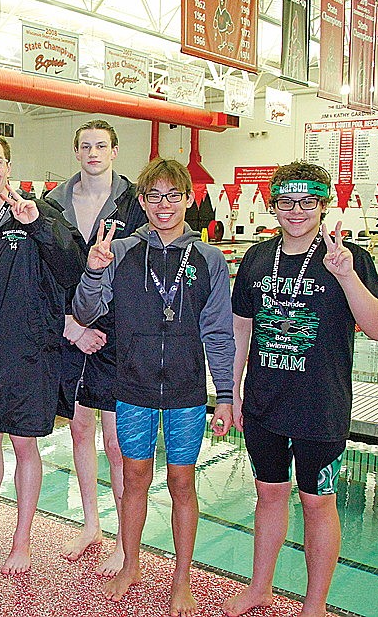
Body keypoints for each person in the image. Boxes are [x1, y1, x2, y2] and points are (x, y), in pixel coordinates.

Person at [222, 163, 378, 617]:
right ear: (273, 205)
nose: (296, 211)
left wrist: (346, 276)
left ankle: (314, 604)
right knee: (269, 495)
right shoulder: (257, 258)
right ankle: (261, 587)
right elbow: (240, 329)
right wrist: (231, 392)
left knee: (318, 503)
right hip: (263, 403)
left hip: (321, 407)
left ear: (323, 205)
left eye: (308, 202)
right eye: (286, 202)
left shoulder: (347, 257)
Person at [73, 157, 235, 617]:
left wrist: (224, 394)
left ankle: (181, 579)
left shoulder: (208, 259)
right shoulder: (120, 251)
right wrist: (92, 270)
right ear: (141, 201)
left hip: (185, 392)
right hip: (133, 388)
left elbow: (219, 331)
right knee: (134, 479)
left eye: (173, 196)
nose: (164, 206)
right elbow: (85, 312)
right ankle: (130, 564)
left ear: (188, 199)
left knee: (183, 482)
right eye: (154, 196)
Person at [0, 131, 82, 574]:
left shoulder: (37, 212)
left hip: (28, 351)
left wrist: (37, 226)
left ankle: (21, 539)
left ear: (9, 168)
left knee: (24, 444)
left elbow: (72, 268)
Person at [41, 119, 145, 571]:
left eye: (101, 145)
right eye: (85, 146)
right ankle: (90, 523)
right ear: (76, 151)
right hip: (71, 329)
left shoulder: (136, 203)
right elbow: (42, 274)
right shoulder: (53, 205)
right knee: (80, 429)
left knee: (117, 440)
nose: (93, 152)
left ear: (115, 151)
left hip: (117, 331)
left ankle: (126, 537)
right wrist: (68, 325)